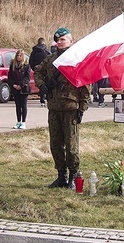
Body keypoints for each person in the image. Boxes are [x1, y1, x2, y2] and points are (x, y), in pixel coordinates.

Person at [34, 27, 90, 189]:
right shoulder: (50, 59)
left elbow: (85, 83)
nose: (59, 42)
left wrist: (82, 107)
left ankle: (73, 176)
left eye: (63, 39)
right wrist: (42, 85)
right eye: (57, 40)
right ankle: (61, 176)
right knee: (55, 144)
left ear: (71, 41)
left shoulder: (76, 59)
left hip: (71, 107)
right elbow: (38, 72)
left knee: (71, 145)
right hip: (54, 106)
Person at [9, 49, 31, 129]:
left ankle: (23, 122)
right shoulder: (13, 65)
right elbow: (10, 76)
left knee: (23, 105)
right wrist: (14, 84)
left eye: (20, 55)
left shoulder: (26, 65)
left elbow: (27, 77)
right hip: (15, 88)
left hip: (24, 88)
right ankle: (18, 121)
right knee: (18, 105)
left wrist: (20, 85)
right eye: (17, 55)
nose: (18, 57)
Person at [29, 38, 51, 107]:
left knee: (41, 84)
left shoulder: (33, 52)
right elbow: (50, 60)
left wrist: (34, 68)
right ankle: (47, 99)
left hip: (37, 70)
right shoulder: (46, 51)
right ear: (44, 43)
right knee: (47, 84)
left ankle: (42, 100)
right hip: (46, 71)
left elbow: (30, 61)